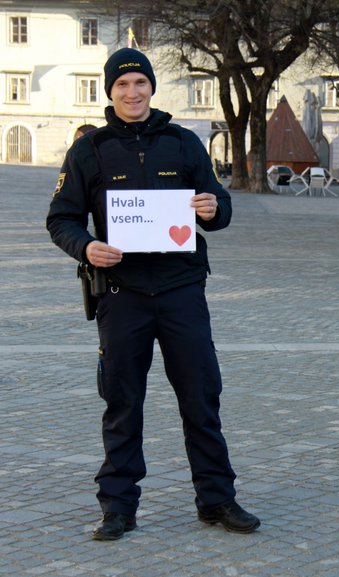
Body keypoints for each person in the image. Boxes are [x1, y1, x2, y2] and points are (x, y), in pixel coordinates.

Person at [47, 48, 260, 540]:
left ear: (151, 87)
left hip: (182, 290)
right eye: (122, 85)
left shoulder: (183, 143)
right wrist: (87, 247)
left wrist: (211, 208)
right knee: (122, 401)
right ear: (110, 92)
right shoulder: (90, 150)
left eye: (139, 83)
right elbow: (61, 219)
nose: (132, 92)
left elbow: (220, 208)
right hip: (122, 294)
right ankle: (118, 507)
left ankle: (217, 500)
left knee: (201, 397)